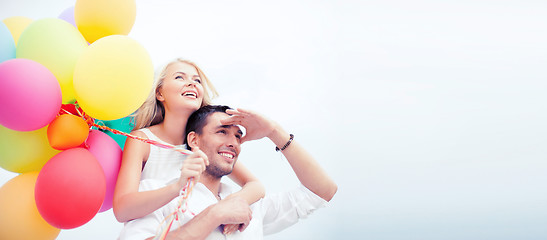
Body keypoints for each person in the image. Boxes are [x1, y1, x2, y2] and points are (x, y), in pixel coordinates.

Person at [118, 105, 338, 239]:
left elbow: (322, 191)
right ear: (194, 140)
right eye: (222, 131)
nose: (233, 142)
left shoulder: (248, 204)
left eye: (237, 136)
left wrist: (275, 132)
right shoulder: (157, 193)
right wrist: (215, 214)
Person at [113, 59, 265, 235]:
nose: (192, 83)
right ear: (159, 93)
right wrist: (177, 188)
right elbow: (122, 209)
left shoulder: (203, 143)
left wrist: (229, 205)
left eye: (197, 80)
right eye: (180, 77)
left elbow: (256, 186)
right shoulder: (142, 140)